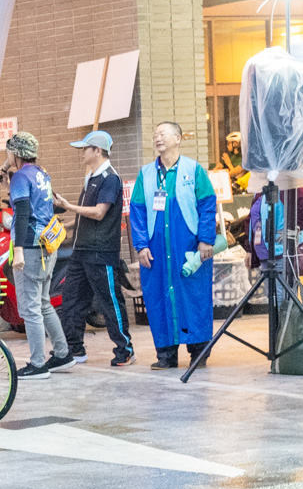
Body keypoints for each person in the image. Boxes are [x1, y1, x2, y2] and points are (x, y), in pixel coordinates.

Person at [129, 122, 216, 370]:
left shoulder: (193, 169)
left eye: (163, 134)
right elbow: (137, 212)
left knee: (194, 296)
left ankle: (198, 352)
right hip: (156, 249)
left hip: (188, 245)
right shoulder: (146, 173)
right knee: (158, 297)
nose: (157, 138)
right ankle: (165, 354)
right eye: (155, 134)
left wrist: (206, 239)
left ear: (178, 138)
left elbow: (207, 204)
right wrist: (141, 245)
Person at [54, 130, 135, 367]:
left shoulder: (110, 178)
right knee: (71, 301)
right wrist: (67, 224)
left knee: (109, 302)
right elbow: (87, 214)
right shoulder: (91, 176)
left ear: (97, 151)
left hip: (101, 252)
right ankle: (75, 349)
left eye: (85, 148)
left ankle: (125, 349)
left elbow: (99, 212)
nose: (82, 153)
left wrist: (69, 207)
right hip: (81, 251)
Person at [4, 131, 72, 379]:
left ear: (16, 153)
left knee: (31, 308)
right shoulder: (41, 174)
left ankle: (37, 364)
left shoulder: (20, 177)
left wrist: (18, 249)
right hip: (47, 245)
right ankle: (63, 353)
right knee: (43, 303)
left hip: (30, 248)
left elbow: (22, 213)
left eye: (9, 151)